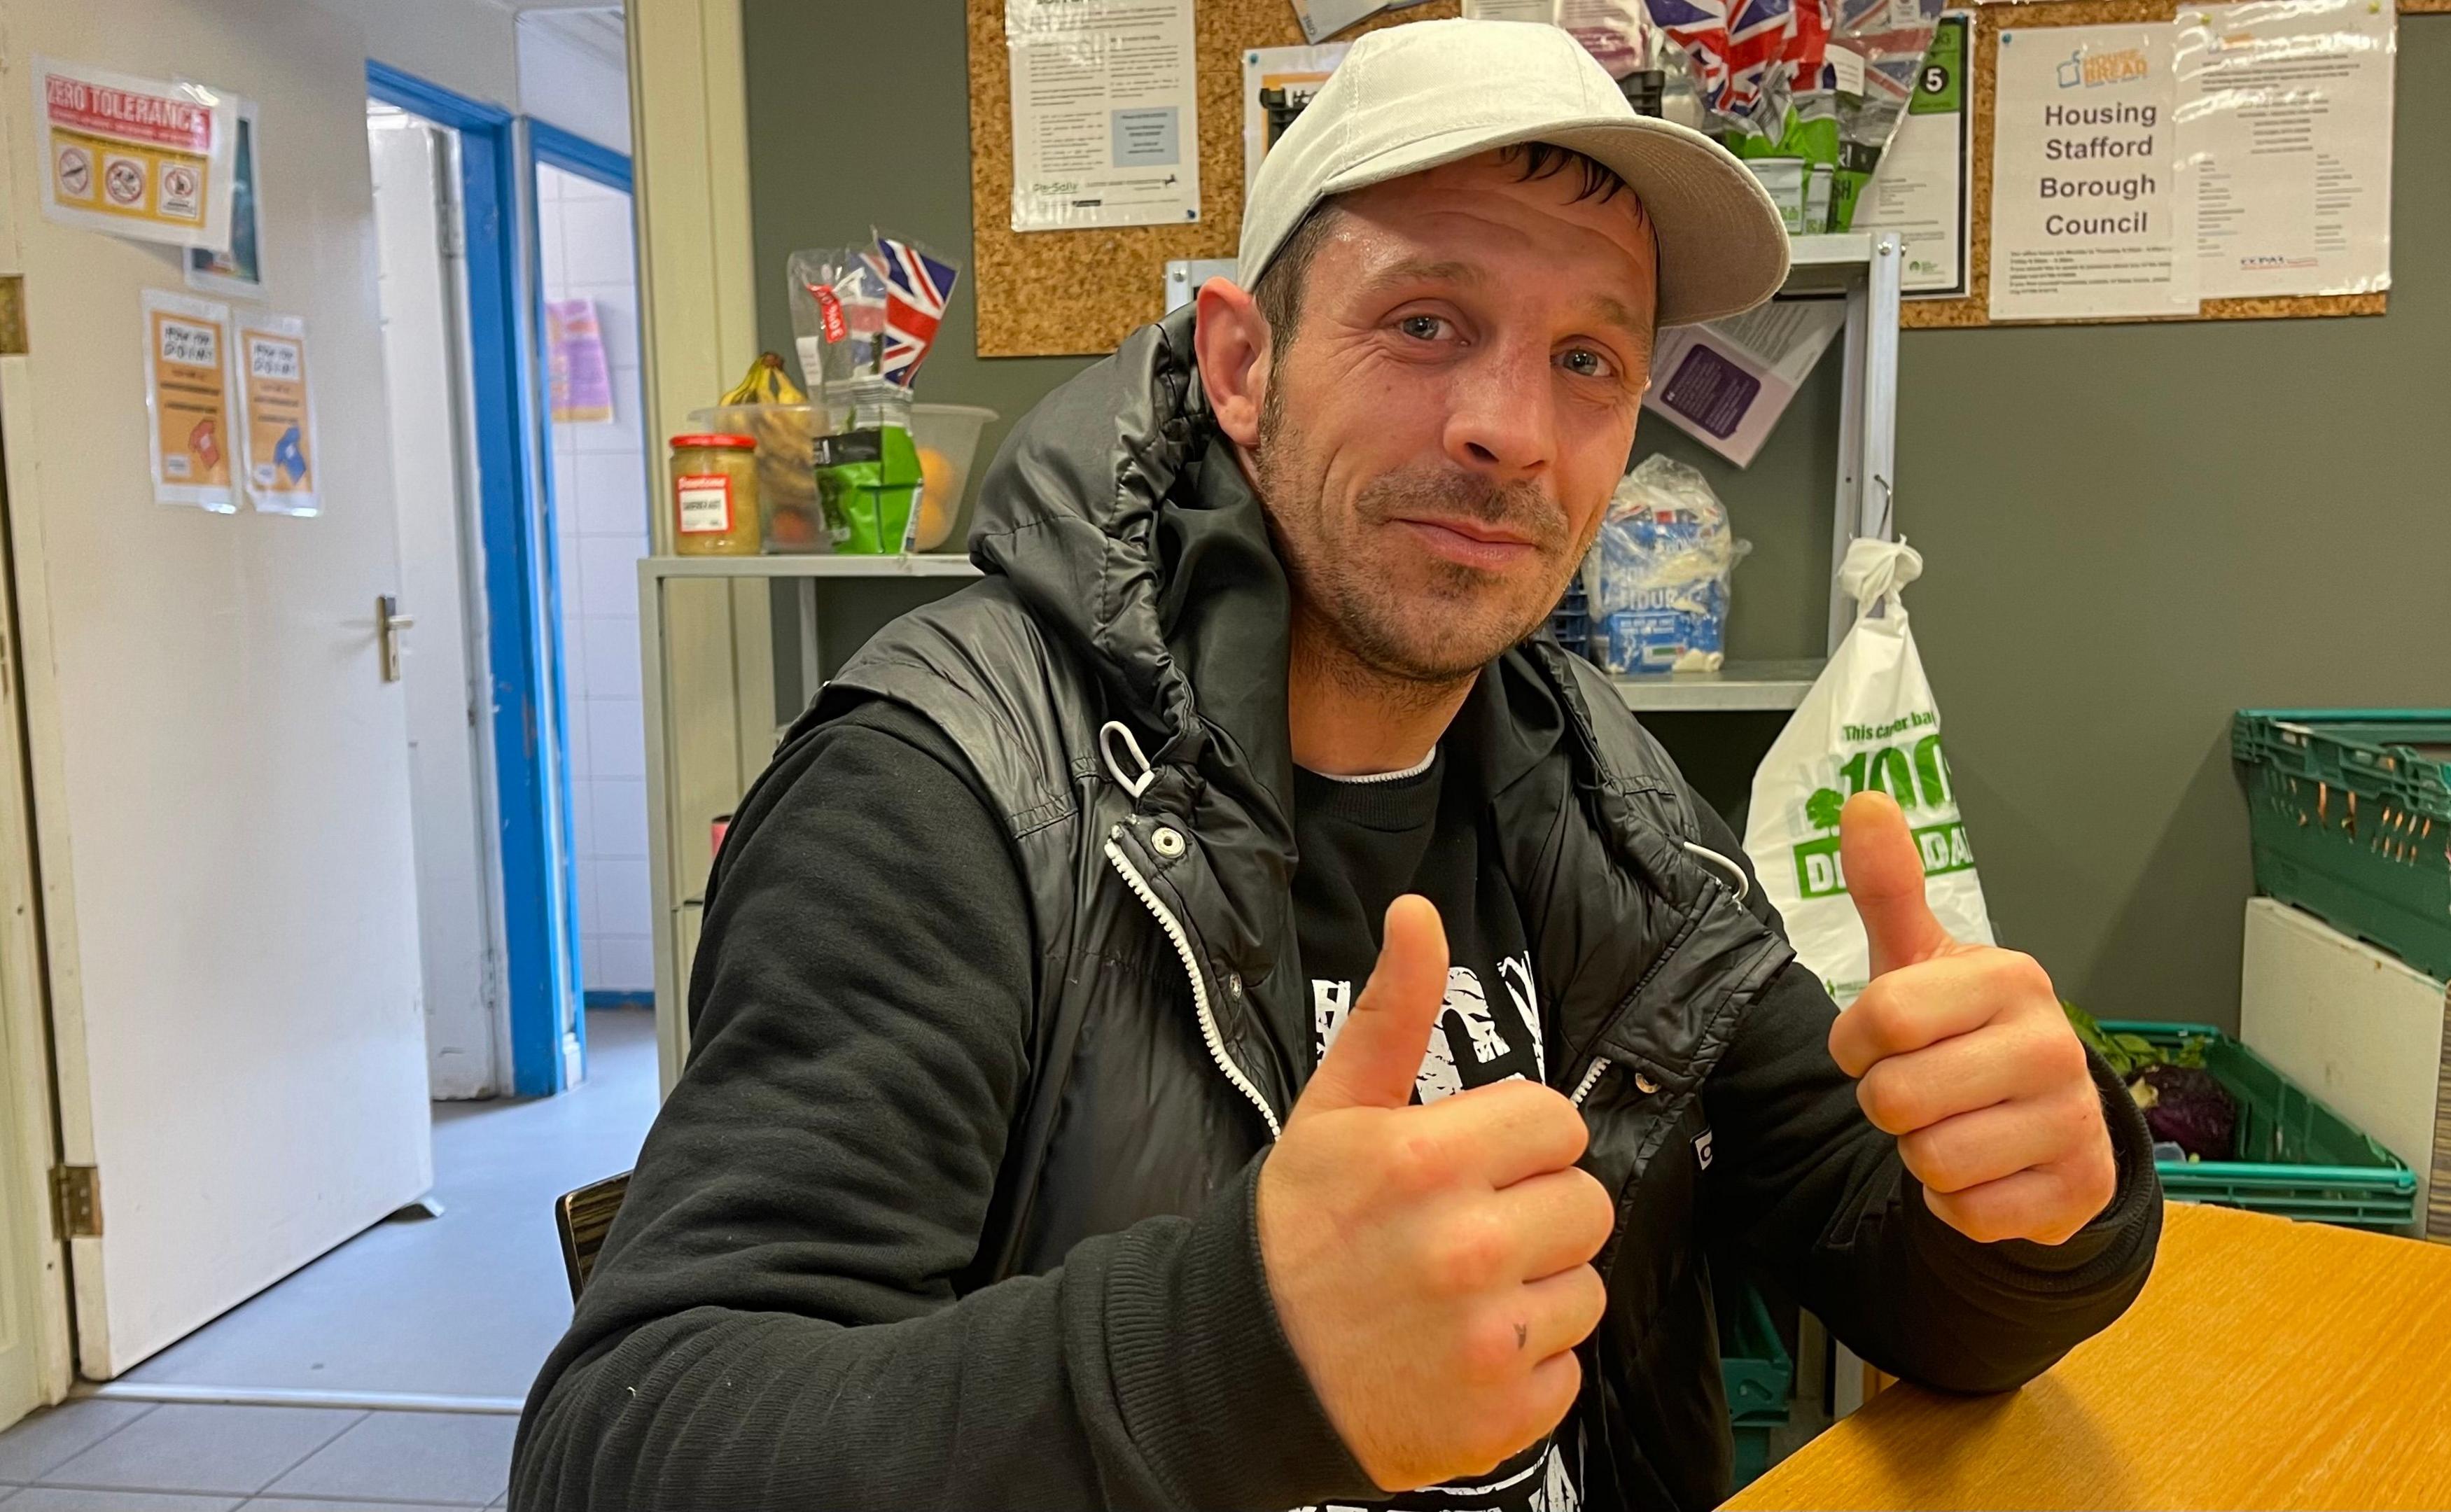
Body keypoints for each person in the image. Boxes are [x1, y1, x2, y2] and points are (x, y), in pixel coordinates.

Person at [512, 19, 2162, 1512]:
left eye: (1588, 359)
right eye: (1428, 320)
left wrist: (2040, 1200)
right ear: (1240, 363)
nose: (1512, 426)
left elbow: (1905, 1280)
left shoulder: (1611, 800)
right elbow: (630, 1449)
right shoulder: (946, 789)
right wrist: (1229, 1356)